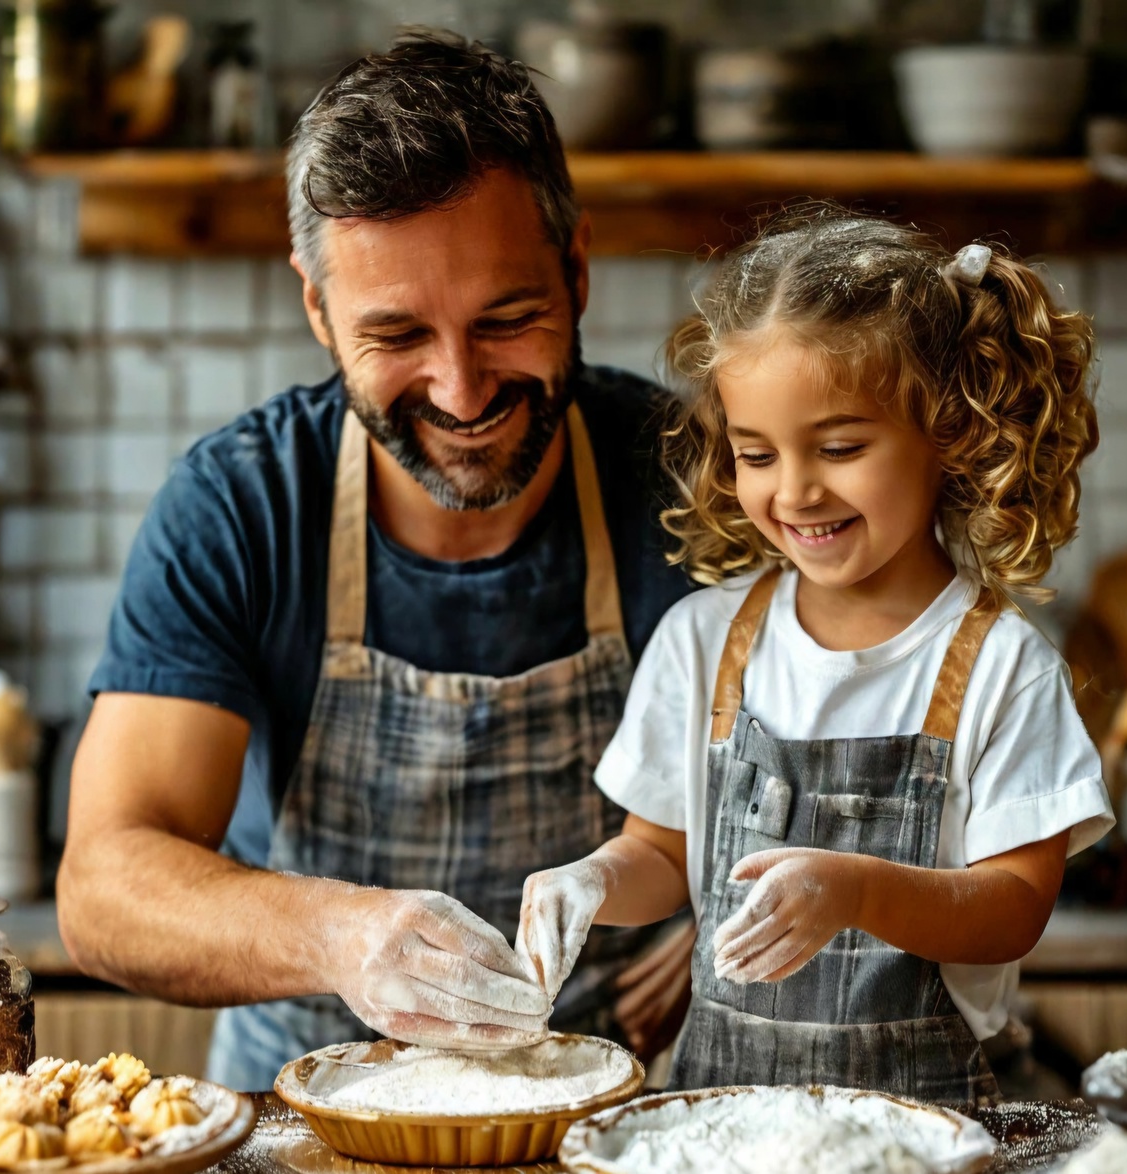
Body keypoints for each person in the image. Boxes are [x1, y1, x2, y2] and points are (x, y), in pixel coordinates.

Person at [56, 30, 693, 1091]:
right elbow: (102, 883)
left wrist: (720, 919)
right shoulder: (242, 507)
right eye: (397, 335)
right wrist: (337, 936)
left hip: (614, 1115)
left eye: (506, 319)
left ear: (576, 268)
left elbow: (865, 766)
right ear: (317, 308)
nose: (459, 391)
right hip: (302, 1108)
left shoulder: (694, 487)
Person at [516, 205, 1116, 1108]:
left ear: (948, 434)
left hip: (923, 1129)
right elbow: (661, 857)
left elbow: (1012, 909)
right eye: (756, 454)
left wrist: (856, 891)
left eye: (840, 447)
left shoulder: (1003, 667)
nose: (793, 490)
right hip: (722, 1124)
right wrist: (593, 881)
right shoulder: (702, 642)